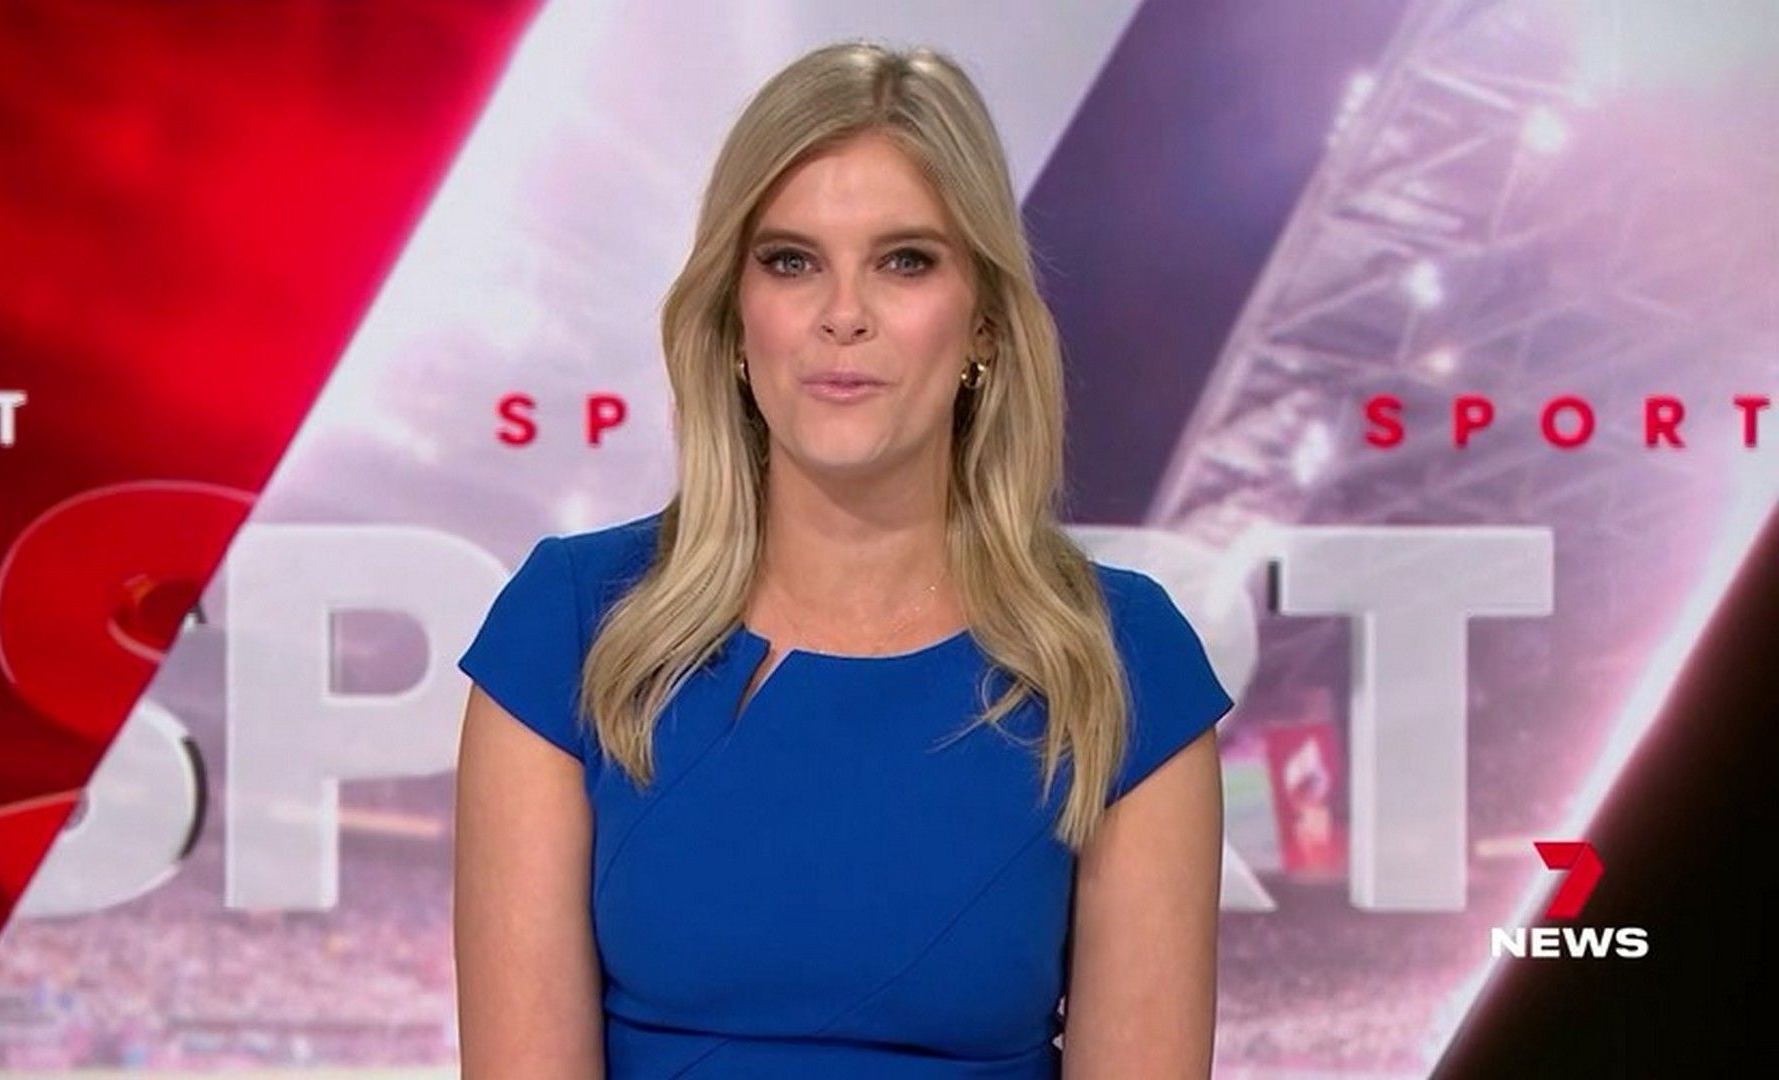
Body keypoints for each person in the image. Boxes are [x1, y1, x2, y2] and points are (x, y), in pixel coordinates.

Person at [454, 39, 1234, 1079]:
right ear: (735, 317)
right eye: (792, 261)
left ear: (985, 325)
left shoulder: (1120, 660)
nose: (843, 315)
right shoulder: (569, 629)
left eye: (905, 260)